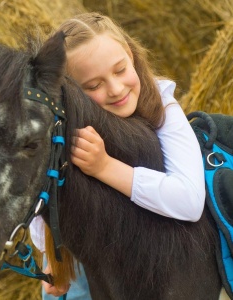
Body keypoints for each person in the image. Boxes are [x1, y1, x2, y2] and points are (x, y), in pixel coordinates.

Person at [29, 12, 205, 299]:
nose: (116, 89)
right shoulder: (62, 127)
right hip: (86, 258)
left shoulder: (162, 107)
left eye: (121, 69)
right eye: (94, 86)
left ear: (131, 55)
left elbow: (190, 201)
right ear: (69, 93)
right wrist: (54, 257)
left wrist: (104, 167)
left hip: (151, 252)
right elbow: (43, 201)